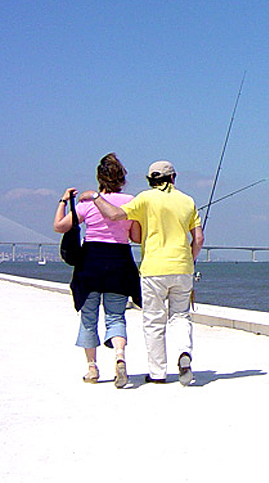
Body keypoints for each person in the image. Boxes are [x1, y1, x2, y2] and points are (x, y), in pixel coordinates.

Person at [80, 160, 204, 386]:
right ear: (173, 178)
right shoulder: (188, 201)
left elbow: (114, 215)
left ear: (150, 180)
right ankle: (184, 352)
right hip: (183, 267)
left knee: (154, 321)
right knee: (180, 316)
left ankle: (157, 373)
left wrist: (95, 197)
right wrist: (190, 260)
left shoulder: (144, 199)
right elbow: (199, 239)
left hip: (154, 269)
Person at [53, 153, 142, 388]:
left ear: (99, 178)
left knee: (88, 317)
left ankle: (92, 369)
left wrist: (63, 201)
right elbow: (136, 237)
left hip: (90, 264)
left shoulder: (86, 203)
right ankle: (120, 357)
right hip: (120, 262)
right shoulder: (131, 202)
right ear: (122, 178)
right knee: (116, 316)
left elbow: (59, 226)